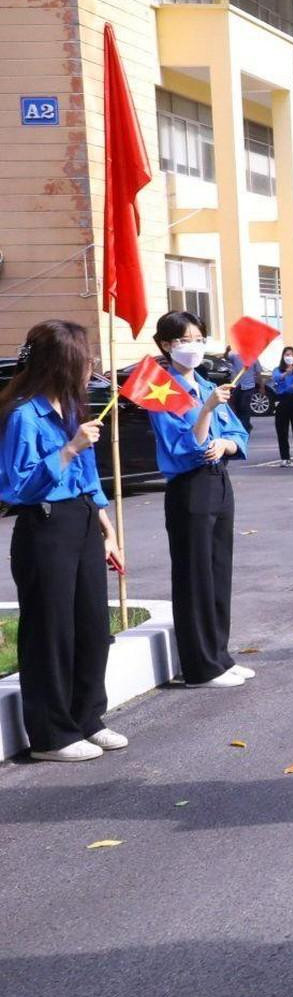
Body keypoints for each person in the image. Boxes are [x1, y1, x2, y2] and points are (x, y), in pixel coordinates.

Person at [0, 320, 127, 761]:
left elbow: (89, 480)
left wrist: (107, 529)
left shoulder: (71, 412)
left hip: (83, 521)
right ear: (60, 363)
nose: (89, 366)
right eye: (83, 358)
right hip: (45, 526)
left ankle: (88, 717)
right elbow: (15, 486)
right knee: (50, 630)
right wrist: (69, 448)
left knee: (92, 625)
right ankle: (51, 735)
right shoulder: (24, 415)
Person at [148, 310, 253, 688]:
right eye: (181, 340)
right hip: (189, 486)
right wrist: (206, 412)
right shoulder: (161, 391)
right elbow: (184, 446)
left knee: (218, 570)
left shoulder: (208, 384)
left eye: (197, 338)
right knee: (195, 576)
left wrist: (227, 443)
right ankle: (200, 666)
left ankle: (220, 656)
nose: (191, 347)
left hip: (218, 481)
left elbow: (239, 434)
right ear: (164, 345)